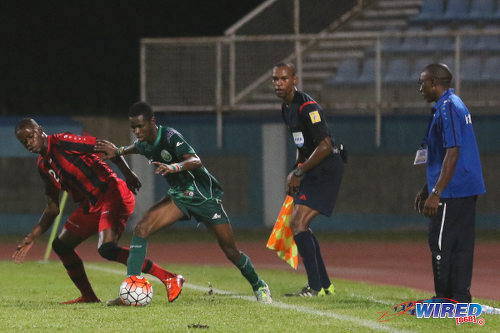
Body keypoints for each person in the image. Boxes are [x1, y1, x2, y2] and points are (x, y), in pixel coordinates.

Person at [95, 101, 272, 305]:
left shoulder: (171, 136)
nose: (136, 131)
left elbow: (195, 160)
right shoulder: (144, 143)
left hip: (204, 198)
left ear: (152, 122)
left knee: (230, 250)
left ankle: (259, 285)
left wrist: (175, 167)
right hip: (180, 197)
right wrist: (118, 152)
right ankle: (131, 291)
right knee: (142, 229)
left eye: (140, 126)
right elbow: (137, 148)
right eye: (133, 127)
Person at [13, 118, 183, 304]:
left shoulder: (63, 141)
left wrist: (128, 174)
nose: (29, 143)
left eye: (30, 137)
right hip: (91, 204)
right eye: (24, 142)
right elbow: (53, 208)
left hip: (112, 193)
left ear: (40, 130)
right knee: (61, 246)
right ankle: (89, 297)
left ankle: (169, 277)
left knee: (107, 248)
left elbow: (106, 147)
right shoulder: (43, 166)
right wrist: (33, 235)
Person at [414, 64, 486, 303]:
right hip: (464, 186)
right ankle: (460, 298)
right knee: (461, 246)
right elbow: (440, 153)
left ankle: (444, 298)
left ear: (434, 82)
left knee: (441, 242)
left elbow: (453, 151)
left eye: (423, 82)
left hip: (453, 189)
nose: (420, 87)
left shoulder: (448, 107)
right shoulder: (453, 104)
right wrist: (428, 187)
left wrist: (436, 192)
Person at [272, 63, 344, 296]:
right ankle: (324, 285)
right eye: (275, 79)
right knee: (300, 224)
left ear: (295, 80)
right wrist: (296, 171)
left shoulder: (307, 106)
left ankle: (315, 288)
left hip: (327, 166)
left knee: (298, 223)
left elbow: (324, 146)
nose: (278, 83)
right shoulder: (286, 108)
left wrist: (299, 172)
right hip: (312, 167)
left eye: (283, 79)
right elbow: (302, 145)